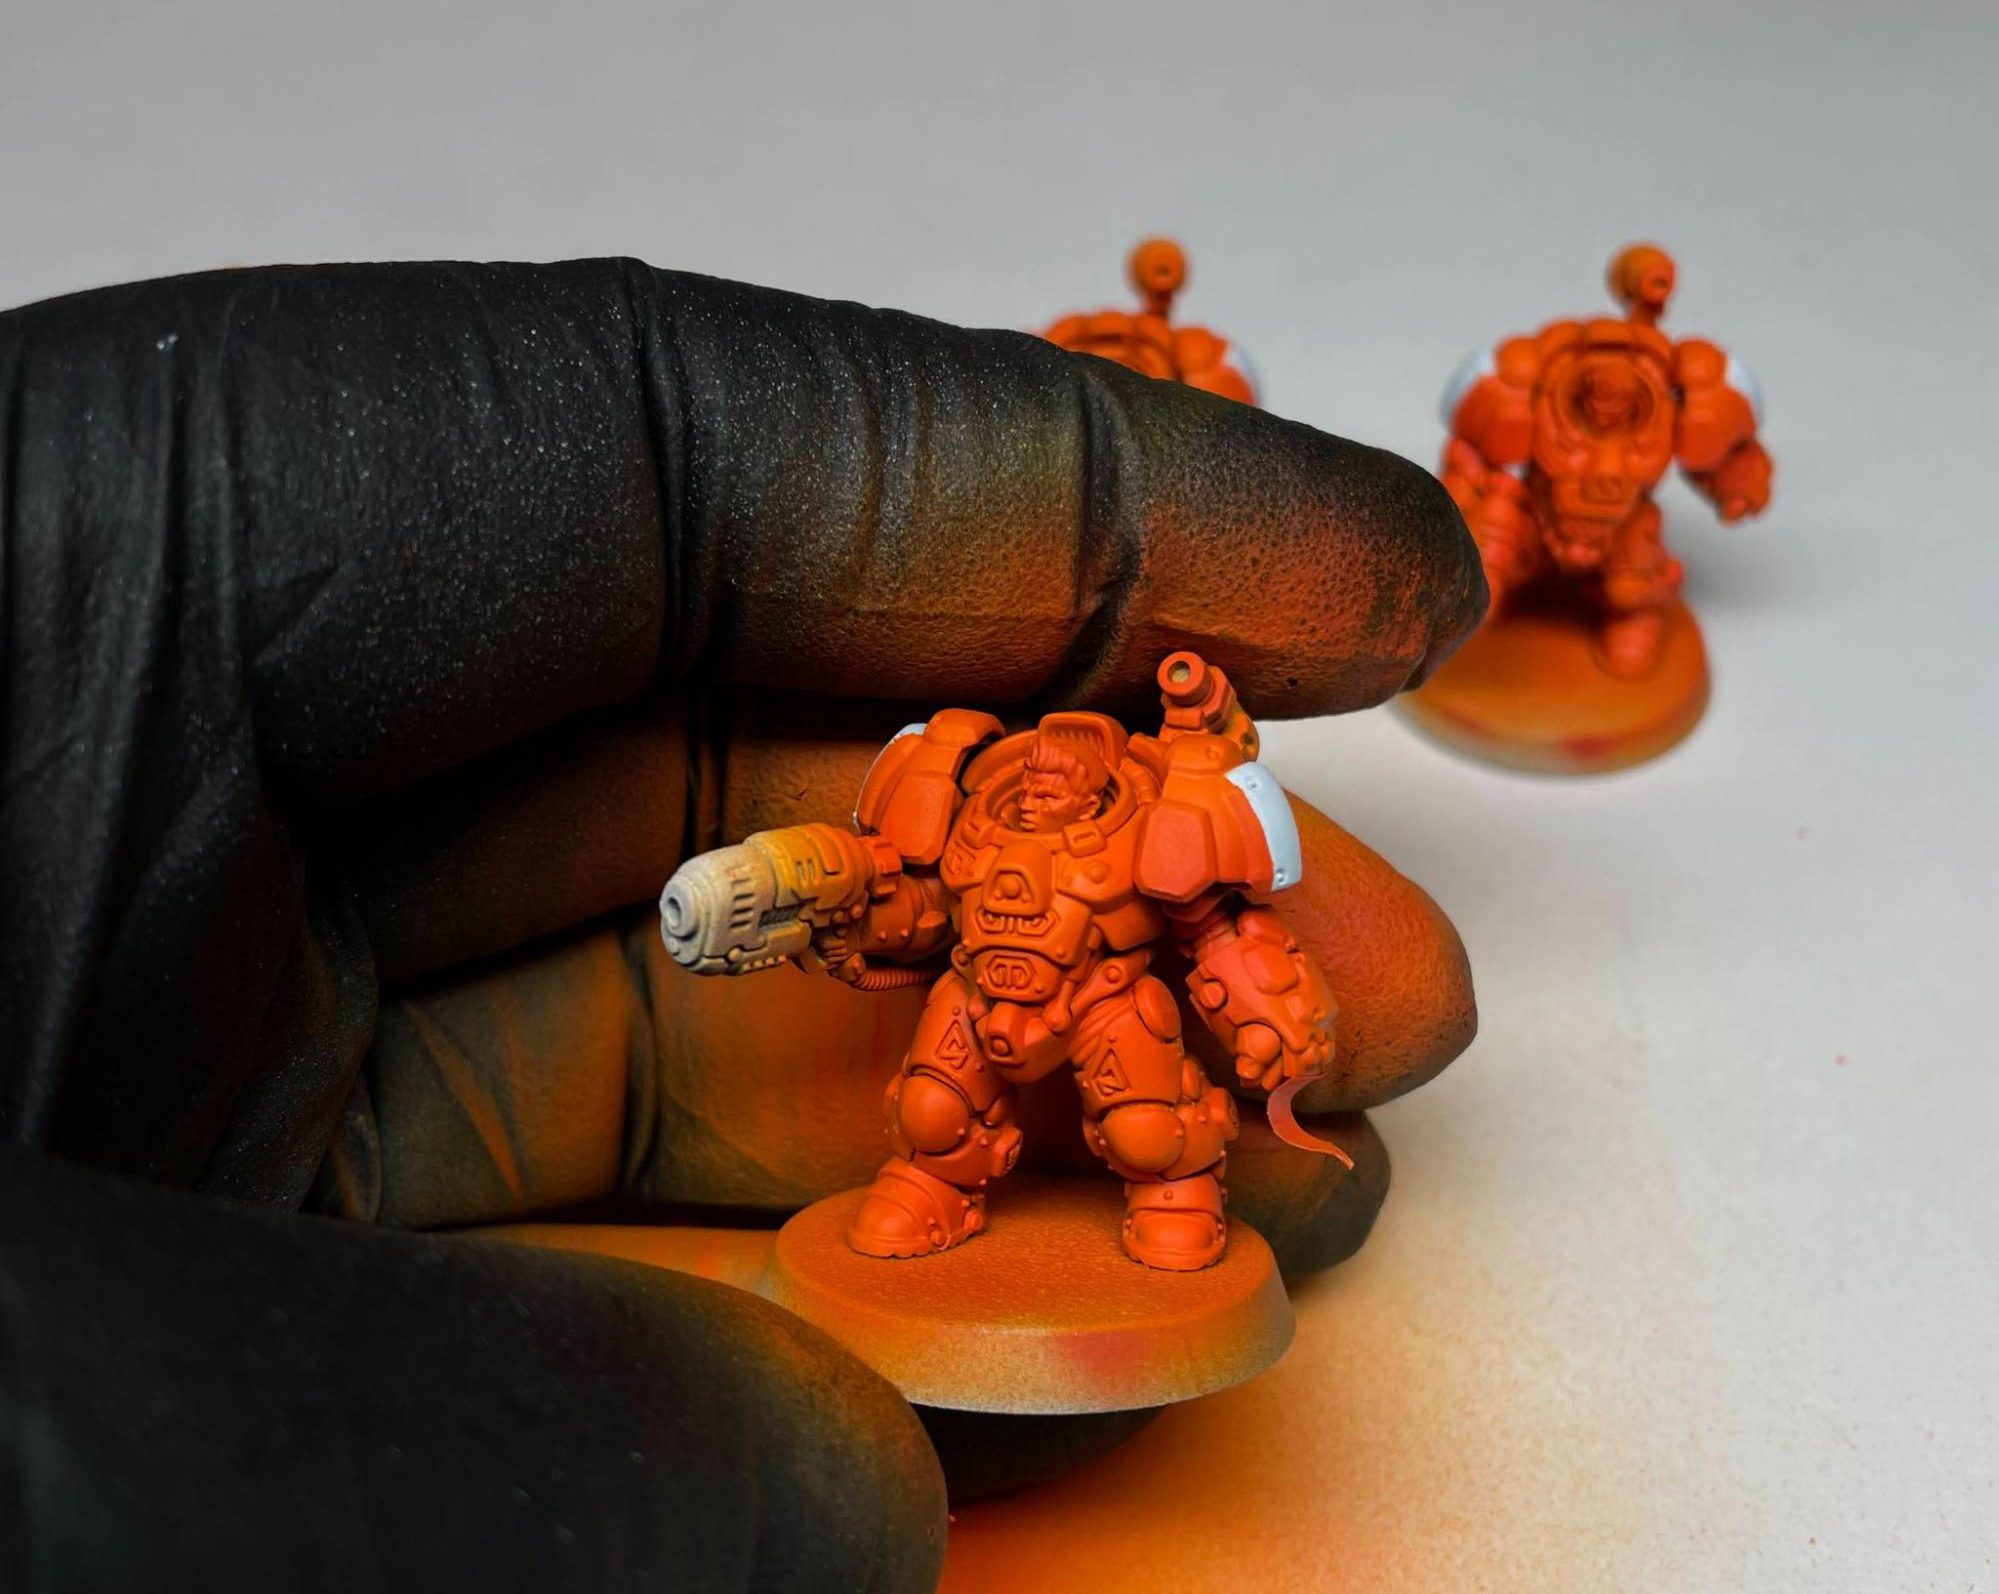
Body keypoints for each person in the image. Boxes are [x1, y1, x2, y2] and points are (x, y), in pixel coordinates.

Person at [0, 258, 1482, 1591]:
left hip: (1103, 1002)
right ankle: (938, 1198)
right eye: (1028, 772)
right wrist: (827, 907)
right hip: (979, 996)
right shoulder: (961, 792)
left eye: (1062, 778)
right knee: (930, 1106)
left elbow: (1224, 929)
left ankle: (1172, 1213)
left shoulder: (1155, 814)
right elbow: (906, 898)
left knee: (1152, 1127)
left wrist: (1265, 1016)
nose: (1043, 785)